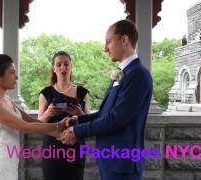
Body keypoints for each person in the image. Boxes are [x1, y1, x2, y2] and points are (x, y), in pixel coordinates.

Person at [59, 20, 153, 180]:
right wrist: (77, 120)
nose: (105, 48)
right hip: (111, 160)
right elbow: (105, 113)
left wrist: (77, 132)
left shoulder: (138, 74)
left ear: (124, 40)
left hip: (123, 163)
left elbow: (117, 119)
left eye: (108, 41)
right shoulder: (123, 72)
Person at [0, 50, 67, 180]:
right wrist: (59, 125)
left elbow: (30, 121)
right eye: (12, 72)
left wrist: (61, 133)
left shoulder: (6, 100)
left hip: (10, 164)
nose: (17, 77)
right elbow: (25, 127)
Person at [38, 51, 91, 180]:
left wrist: (80, 114)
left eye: (66, 64)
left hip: (76, 146)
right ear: (54, 68)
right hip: (52, 147)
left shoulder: (82, 93)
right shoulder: (46, 93)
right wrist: (48, 113)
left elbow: (90, 124)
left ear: (71, 66)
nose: (63, 67)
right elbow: (39, 124)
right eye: (59, 64)